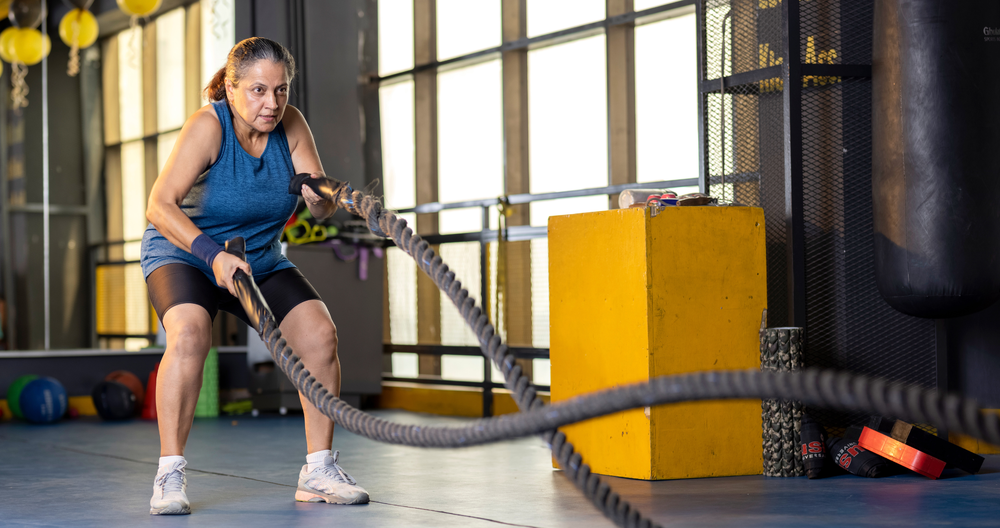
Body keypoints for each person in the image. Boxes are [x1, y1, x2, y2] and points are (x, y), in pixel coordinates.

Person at [141, 37, 368, 515]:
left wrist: (321, 201)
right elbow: (159, 206)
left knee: (319, 336)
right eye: (259, 91)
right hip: (186, 254)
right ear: (231, 86)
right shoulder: (208, 126)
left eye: (281, 90)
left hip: (258, 259)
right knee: (189, 334)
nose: (272, 103)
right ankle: (169, 473)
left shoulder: (292, 125)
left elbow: (319, 203)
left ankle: (319, 470)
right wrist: (211, 254)